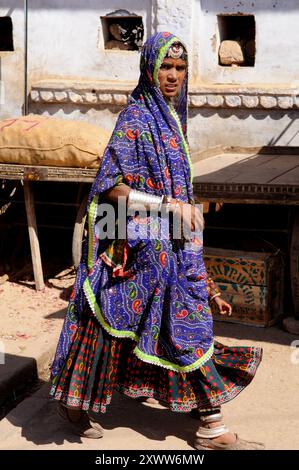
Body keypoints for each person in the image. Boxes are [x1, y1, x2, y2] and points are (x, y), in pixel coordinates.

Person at [49, 32, 263, 450]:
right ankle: (75, 402)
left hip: (169, 240)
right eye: (166, 66)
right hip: (133, 238)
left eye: (180, 69)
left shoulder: (173, 119)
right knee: (114, 320)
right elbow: (111, 185)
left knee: (176, 320)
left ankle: (210, 425)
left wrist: (208, 280)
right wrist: (165, 205)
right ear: (149, 68)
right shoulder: (136, 117)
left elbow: (182, 196)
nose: (173, 76)